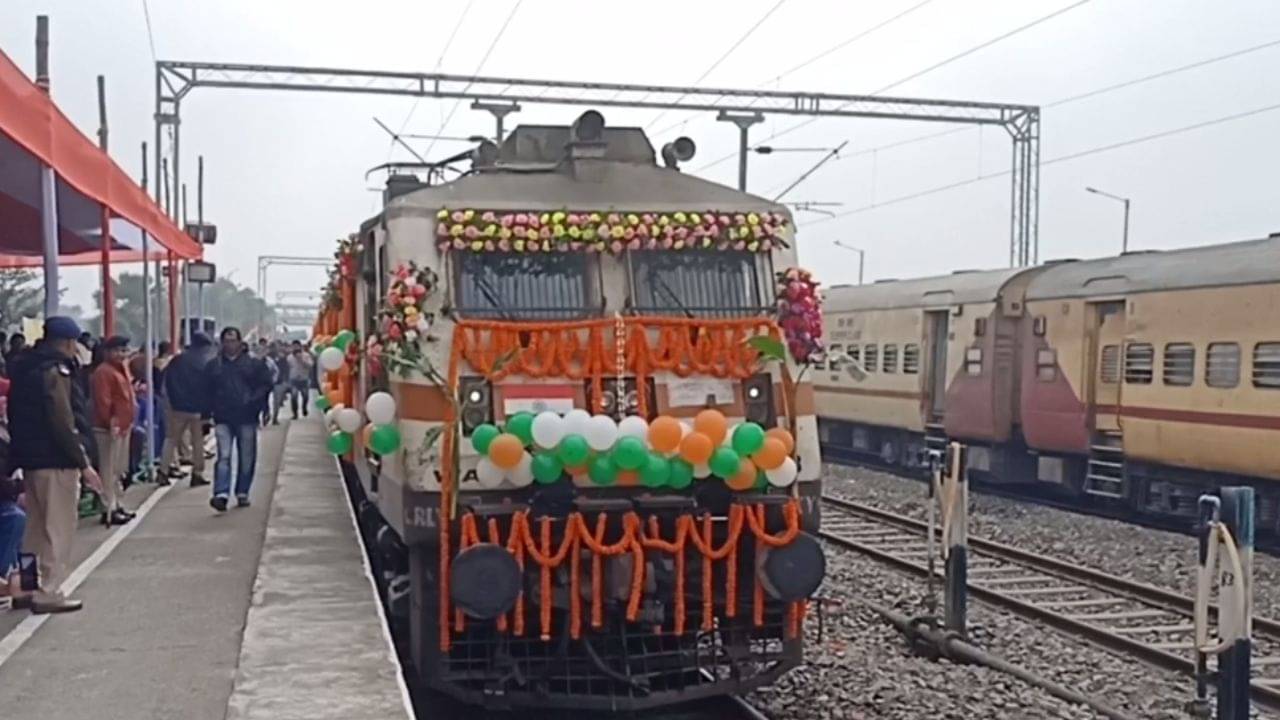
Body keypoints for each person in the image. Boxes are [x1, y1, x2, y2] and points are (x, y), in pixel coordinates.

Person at [6, 316, 103, 613]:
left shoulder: (25, 368)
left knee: (33, 531)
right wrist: (83, 462)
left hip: (31, 460)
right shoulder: (56, 372)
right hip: (57, 460)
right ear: (70, 343)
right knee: (58, 528)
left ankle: (27, 585)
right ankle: (49, 591)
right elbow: (62, 420)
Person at [205, 327, 272, 512]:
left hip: (246, 416)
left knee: (247, 456)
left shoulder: (254, 364)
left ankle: (242, 491)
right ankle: (221, 493)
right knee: (223, 456)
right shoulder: (214, 366)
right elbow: (206, 390)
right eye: (226, 341)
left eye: (233, 340)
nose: (230, 344)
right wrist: (206, 414)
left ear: (240, 342)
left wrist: (256, 404)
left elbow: (265, 386)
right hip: (222, 416)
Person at [89, 336, 137, 526]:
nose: (121, 354)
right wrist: (111, 421)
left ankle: (116, 503)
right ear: (107, 352)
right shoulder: (103, 372)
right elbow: (103, 401)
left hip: (123, 426)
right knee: (108, 469)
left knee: (117, 469)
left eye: (124, 350)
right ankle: (108, 507)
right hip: (108, 428)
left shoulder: (121, 369)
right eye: (117, 350)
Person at [161, 333, 213, 486]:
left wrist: (173, 401)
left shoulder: (177, 360)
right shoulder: (205, 363)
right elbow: (209, 388)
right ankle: (197, 473)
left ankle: (163, 471)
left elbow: (168, 382)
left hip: (178, 408)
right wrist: (208, 412)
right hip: (198, 409)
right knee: (198, 443)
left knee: (171, 439)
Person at [286, 341, 313, 419]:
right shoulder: (289, 357)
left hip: (304, 379)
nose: (295, 348)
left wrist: (301, 360)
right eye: (294, 346)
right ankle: (295, 413)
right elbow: (288, 367)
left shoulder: (306, 355)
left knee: (305, 395)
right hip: (293, 379)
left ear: (300, 346)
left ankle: (304, 407)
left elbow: (310, 365)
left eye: (297, 346)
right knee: (294, 396)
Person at [269, 344, 292, 425]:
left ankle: (274, 417)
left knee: (276, 401)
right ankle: (268, 414)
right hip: (268, 383)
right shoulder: (268, 359)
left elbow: (286, 371)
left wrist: (285, 381)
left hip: (279, 382)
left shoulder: (284, 361)